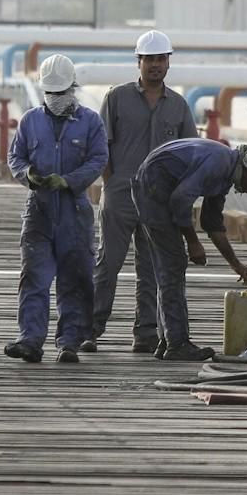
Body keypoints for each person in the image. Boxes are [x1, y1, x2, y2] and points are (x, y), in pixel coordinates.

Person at [91, 30, 197, 354]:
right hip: (121, 194)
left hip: (158, 201)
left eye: (161, 59)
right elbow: (101, 145)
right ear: (138, 61)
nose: (155, 65)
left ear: (168, 62)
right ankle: (89, 329)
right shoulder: (117, 98)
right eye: (149, 59)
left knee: (150, 269)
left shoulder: (178, 106)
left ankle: (146, 332)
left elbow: (190, 153)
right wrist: (111, 184)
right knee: (108, 263)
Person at [132, 138, 247, 361]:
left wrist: (236, 265)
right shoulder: (218, 163)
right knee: (173, 265)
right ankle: (177, 343)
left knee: (169, 266)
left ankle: (168, 340)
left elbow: (212, 223)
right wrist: (192, 241)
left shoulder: (226, 173)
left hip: (151, 187)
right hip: (153, 188)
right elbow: (180, 199)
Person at [4, 54, 108, 364]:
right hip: (39, 211)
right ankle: (30, 339)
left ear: (72, 88)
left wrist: (69, 181)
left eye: (61, 93)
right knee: (34, 277)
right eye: (51, 93)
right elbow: (16, 157)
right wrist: (29, 176)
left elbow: (98, 159)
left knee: (75, 278)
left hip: (74, 212)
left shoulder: (91, 122)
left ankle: (69, 342)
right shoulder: (30, 121)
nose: (56, 99)